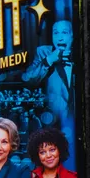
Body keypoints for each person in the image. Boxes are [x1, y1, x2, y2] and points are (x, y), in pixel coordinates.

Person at [22, 19, 76, 170]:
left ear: (72, 36)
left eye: (64, 33)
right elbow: (28, 79)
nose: (59, 37)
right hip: (51, 119)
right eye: (55, 33)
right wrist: (48, 61)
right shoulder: (43, 52)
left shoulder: (81, 52)